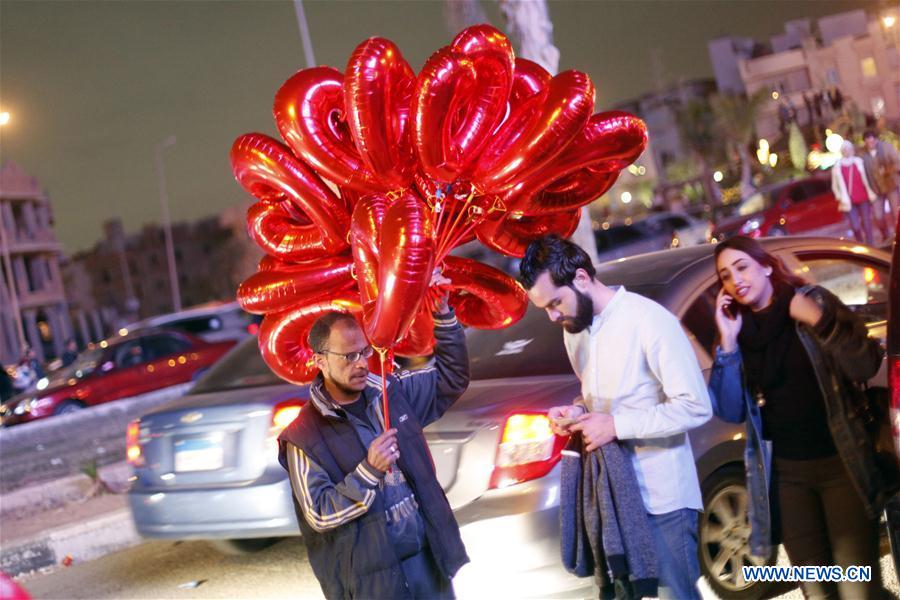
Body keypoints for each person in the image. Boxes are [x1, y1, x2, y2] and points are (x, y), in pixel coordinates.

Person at [518, 235, 712, 600]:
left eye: (556, 303)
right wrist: (577, 413)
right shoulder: (575, 332)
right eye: (545, 308)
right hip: (610, 500)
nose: (553, 316)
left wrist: (615, 425)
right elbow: (596, 400)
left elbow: (695, 405)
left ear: (581, 278)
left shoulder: (649, 320)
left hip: (663, 498)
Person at [708, 236, 887, 599]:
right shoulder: (738, 332)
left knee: (857, 589)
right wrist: (727, 345)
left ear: (766, 265)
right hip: (787, 479)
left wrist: (820, 322)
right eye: (725, 276)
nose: (735, 280)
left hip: (841, 466)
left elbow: (866, 363)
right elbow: (730, 411)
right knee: (817, 590)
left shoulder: (812, 303)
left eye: (742, 267)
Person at [278, 270, 470, 599]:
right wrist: (369, 471)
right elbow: (320, 514)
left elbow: (451, 379)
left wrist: (443, 316)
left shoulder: (391, 392)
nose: (361, 363)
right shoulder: (303, 436)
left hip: (429, 562)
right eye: (349, 356)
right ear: (319, 361)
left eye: (364, 352)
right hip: (374, 583)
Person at [831, 140, 878, 245]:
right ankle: (860, 244)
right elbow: (835, 185)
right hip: (849, 201)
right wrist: (839, 196)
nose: (847, 151)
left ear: (852, 150)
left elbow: (867, 177)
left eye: (849, 149)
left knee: (867, 224)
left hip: (863, 197)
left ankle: (871, 245)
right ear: (842, 151)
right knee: (855, 226)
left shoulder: (859, 161)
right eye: (845, 150)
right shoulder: (837, 166)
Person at [861, 130, 899, 240]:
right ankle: (885, 234)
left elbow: (897, 163)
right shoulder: (863, 155)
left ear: (876, 139)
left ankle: (898, 235)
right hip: (876, 189)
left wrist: (887, 170)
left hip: (891, 185)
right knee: (878, 216)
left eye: (873, 141)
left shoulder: (886, 148)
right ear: (865, 142)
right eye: (868, 142)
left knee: (896, 214)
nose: (871, 143)